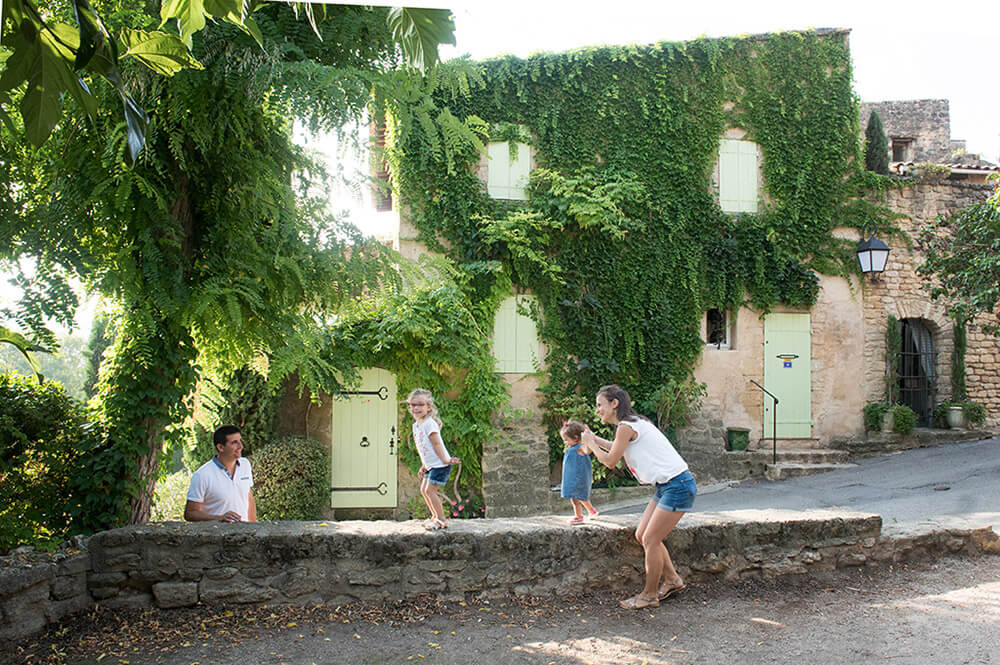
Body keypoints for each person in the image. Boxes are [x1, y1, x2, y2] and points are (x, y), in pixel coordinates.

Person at [580, 384, 696, 609]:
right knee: (642, 534)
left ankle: (649, 595)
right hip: (669, 485)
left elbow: (611, 461)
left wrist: (592, 444)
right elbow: (617, 448)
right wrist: (593, 439)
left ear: (614, 404)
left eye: (599, 405)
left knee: (651, 539)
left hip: (677, 485)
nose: (597, 411)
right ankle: (672, 580)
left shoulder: (625, 427)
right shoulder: (633, 424)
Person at [408, 388, 460, 531]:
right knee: (424, 490)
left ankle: (441, 519)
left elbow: (437, 444)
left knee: (430, 491)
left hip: (440, 464)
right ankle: (434, 516)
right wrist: (424, 465)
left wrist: (446, 460)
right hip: (431, 465)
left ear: (428, 406)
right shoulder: (416, 426)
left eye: (420, 404)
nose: (415, 408)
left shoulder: (429, 424)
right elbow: (423, 448)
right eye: (412, 405)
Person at [184, 425, 257, 523]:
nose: (240, 447)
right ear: (220, 447)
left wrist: (254, 526)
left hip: (245, 534)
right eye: (234, 443)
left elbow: (249, 498)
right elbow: (190, 513)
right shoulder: (202, 475)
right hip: (217, 536)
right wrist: (219, 518)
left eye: (240, 441)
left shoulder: (245, 464)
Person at [559, 420, 599, 524]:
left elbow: (588, 449)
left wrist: (589, 437)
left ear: (576, 438)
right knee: (579, 497)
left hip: (578, 478)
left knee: (577, 498)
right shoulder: (572, 448)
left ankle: (579, 516)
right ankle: (592, 511)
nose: (565, 442)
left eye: (566, 440)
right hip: (572, 478)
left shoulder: (580, 448)